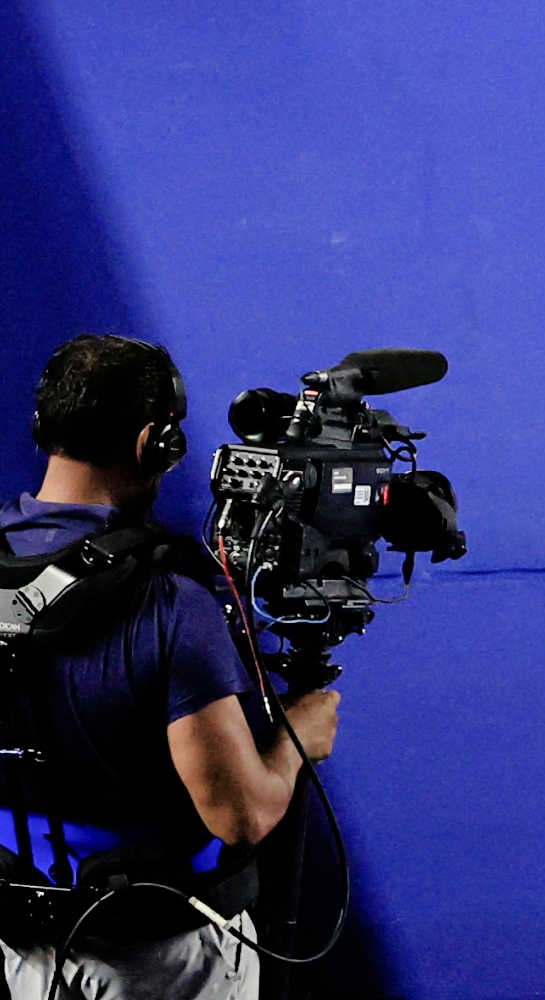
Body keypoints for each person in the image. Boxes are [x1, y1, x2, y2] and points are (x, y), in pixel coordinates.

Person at [0, 334, 342, 998]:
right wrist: (298, 738)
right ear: (152, 442)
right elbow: (239, 813)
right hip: (160, 963)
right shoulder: (169, 602)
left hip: (21, 957)